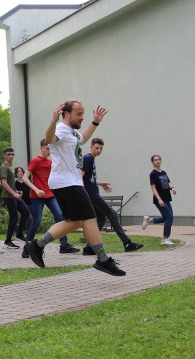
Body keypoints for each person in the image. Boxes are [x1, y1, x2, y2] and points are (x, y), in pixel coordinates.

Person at [25, 101, 126, 276]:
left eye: (83, 114)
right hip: (67, 182)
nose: (82, 117)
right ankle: (103, 260)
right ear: (67, 114)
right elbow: (49, 139)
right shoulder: (60, 129)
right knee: (90, 218)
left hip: (66, 182)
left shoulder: (71, 132)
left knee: (75, 222)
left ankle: (37, 245)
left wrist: (95, 122)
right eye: (79, 114)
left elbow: (82, 139)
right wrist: (53, 121)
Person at [80, 138, 143, 255]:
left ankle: (89, 248)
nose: (99, 150)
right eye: (97, 148)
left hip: (92, 193)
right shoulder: (88, 158)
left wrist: (100, 183)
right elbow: (80, 177)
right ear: (91, 147)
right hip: (91, 195)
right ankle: (127, 243)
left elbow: (88, 178)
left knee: (101, 218)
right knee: (112, 213)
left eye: (101, 148)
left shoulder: (91, 158)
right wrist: (82, 194)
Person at [24, 140, 76, 254]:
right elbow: (25, 178)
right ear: (41, 148)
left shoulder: (50, 162)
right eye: (47, 148)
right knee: (36, 222)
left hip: (50, 194)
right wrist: (36, 189)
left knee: (60, 217)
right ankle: (27, 247)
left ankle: (64, 245)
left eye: (51, 149)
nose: (49, 151)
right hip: (37, 196)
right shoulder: (35, 161)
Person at [143, 155, 176, 246]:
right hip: (160, 199)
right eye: (155, 160)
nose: (157, 161)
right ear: (152, 162)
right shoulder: (153, 174)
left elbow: (166, 184)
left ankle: (149, 220)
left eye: (158, 159)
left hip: (167, 198)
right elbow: (153, 188)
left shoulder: (164, 172)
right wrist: (159, 199)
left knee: (168, 218)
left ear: (161, 161)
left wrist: (172, 188)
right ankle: (165, 239)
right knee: (169, 218)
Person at [0, 147, 26, 249]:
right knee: (14, 217)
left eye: (12, 154)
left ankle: (19, 235)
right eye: (9, 154)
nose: (11, 156)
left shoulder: (10, 166)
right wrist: (14, 194)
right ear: (5, 155)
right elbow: (3, 183)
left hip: (14, 195)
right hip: (8, 197)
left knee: (26, 212)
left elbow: (11, 183)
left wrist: (17, 192)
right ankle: (8, 241)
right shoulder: (4, 167)